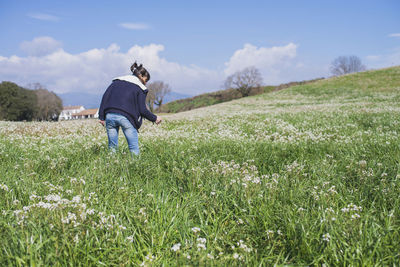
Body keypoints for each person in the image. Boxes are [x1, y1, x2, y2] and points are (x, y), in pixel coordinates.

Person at [98, 62, 162, 155]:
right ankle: (135, 168)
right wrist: (155, 118)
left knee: (112, 148)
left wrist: (101, 117)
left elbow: (105, 97)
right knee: (133, 149)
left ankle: (110, 167)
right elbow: (142, 110)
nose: (146, 82)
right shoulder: (140, 88)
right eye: (146, 79)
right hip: (126, 117)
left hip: (110, 116)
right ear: (140, 76)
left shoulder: (116, 82)